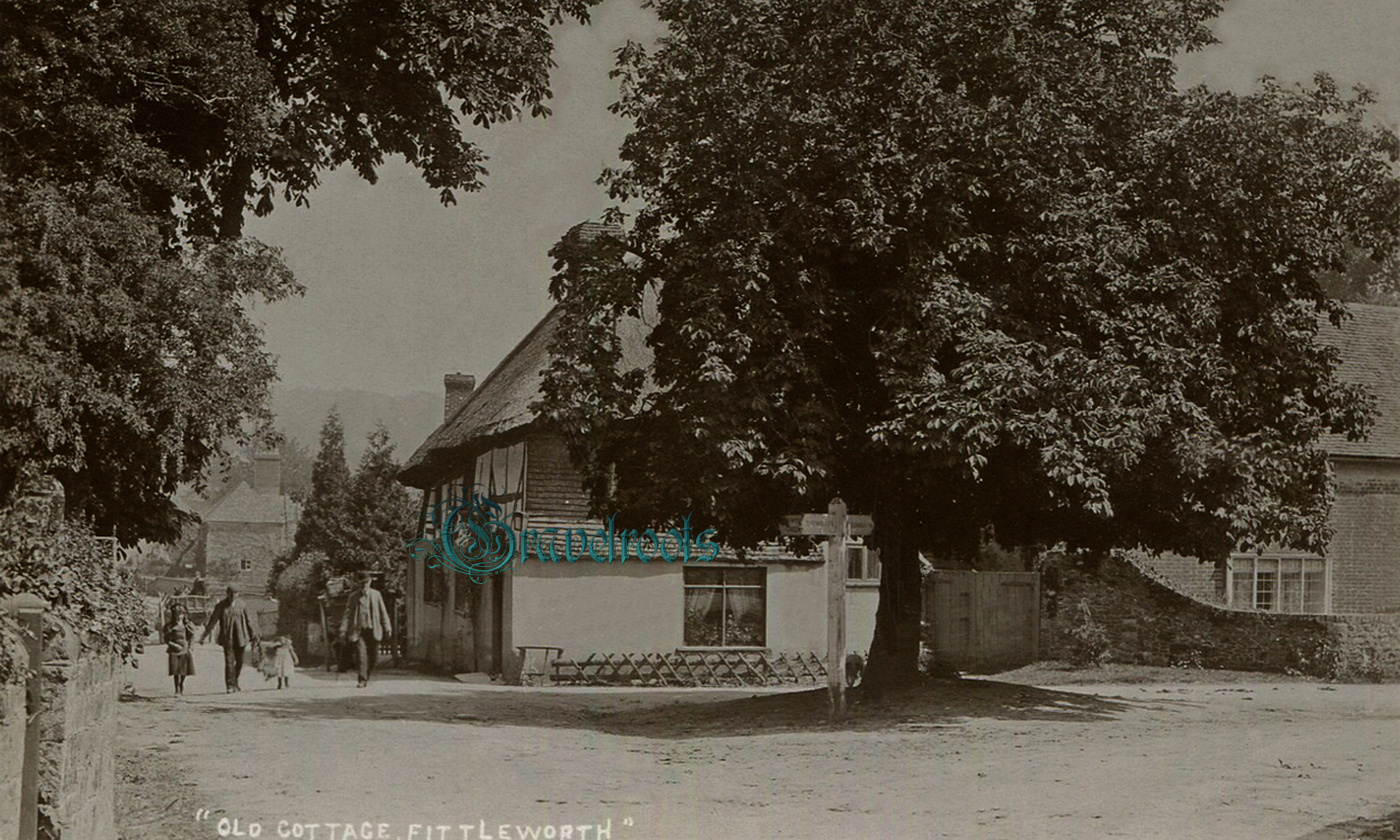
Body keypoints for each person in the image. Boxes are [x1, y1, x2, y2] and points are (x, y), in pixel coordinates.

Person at [200, 585, 257, 693]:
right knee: (229, 661)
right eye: (230, 593)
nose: (232, 596)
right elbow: (212, 622)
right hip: (228, 638)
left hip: (241, 637)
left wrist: (253, 635)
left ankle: (235, 682)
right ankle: (230, 685)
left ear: (238, 594)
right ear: (227, 594)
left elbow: (249, 621)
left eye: (235, 593)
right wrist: (204, 636)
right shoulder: (220, 606)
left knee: (240, 662)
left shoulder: (242, 605)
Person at [339, 572, 392, 688]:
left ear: (370, 582)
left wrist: (387, 627)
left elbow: (383, 612)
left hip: (373, 630)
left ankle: (366, 675)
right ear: (358, 583)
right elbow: (347, 614)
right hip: (358, 631)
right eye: (361, 583)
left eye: (366, 582)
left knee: (373, 657)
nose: (364, 585)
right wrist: (343, 629)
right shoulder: (353, 597)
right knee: (361, 655)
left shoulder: (376, 595)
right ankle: (362, 679)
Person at [164, 603, 197, 696]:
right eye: (177, 614)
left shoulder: (187, 625)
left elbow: (192, 637)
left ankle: (181, 684)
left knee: (183, 670)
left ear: (184, 615)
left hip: (184, 650)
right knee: (175, 671)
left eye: (181, 614)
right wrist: (174, 645)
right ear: (174, 615)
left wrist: (190, 647)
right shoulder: (169, 626)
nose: (179, 616)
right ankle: (176, 689)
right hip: (174, 651)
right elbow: (166, 640)